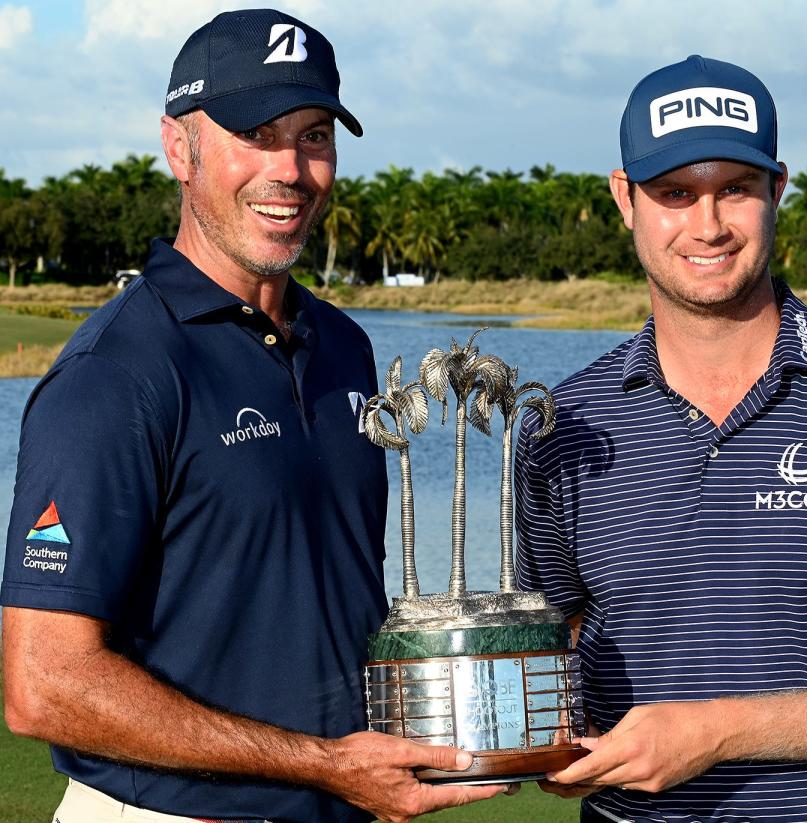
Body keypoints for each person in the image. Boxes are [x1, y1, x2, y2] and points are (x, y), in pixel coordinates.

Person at [1, 10, 505, 823]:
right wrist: (322, 762)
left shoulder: (343, 345)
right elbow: (43, 684)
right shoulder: (116, 372)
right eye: (257, 134)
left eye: (313, 137)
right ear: (179, 147)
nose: (291, 169)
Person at [515, 54, 807, 823]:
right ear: (625, 198)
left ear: (777, 190)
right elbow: (555, 644)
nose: (708, 225)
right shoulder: (560, 423)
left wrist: (719, 730)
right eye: (675, 193)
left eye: (736, 190)